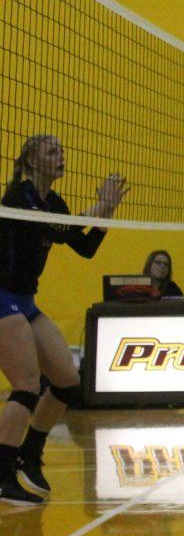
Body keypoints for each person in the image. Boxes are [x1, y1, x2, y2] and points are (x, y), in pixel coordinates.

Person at [0, 134, 128, 504]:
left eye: (62, 148)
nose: (62, 155)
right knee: (26, 386)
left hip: (24, 300)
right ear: (33, 161)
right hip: (2, 297)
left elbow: (83, 247)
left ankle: (29, 454)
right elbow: (55, 229)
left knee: (68, 382)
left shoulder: (52, 201)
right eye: (53, 151)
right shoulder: (18, 198)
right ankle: (3, 473)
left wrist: (104, 216)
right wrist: (95, 209)